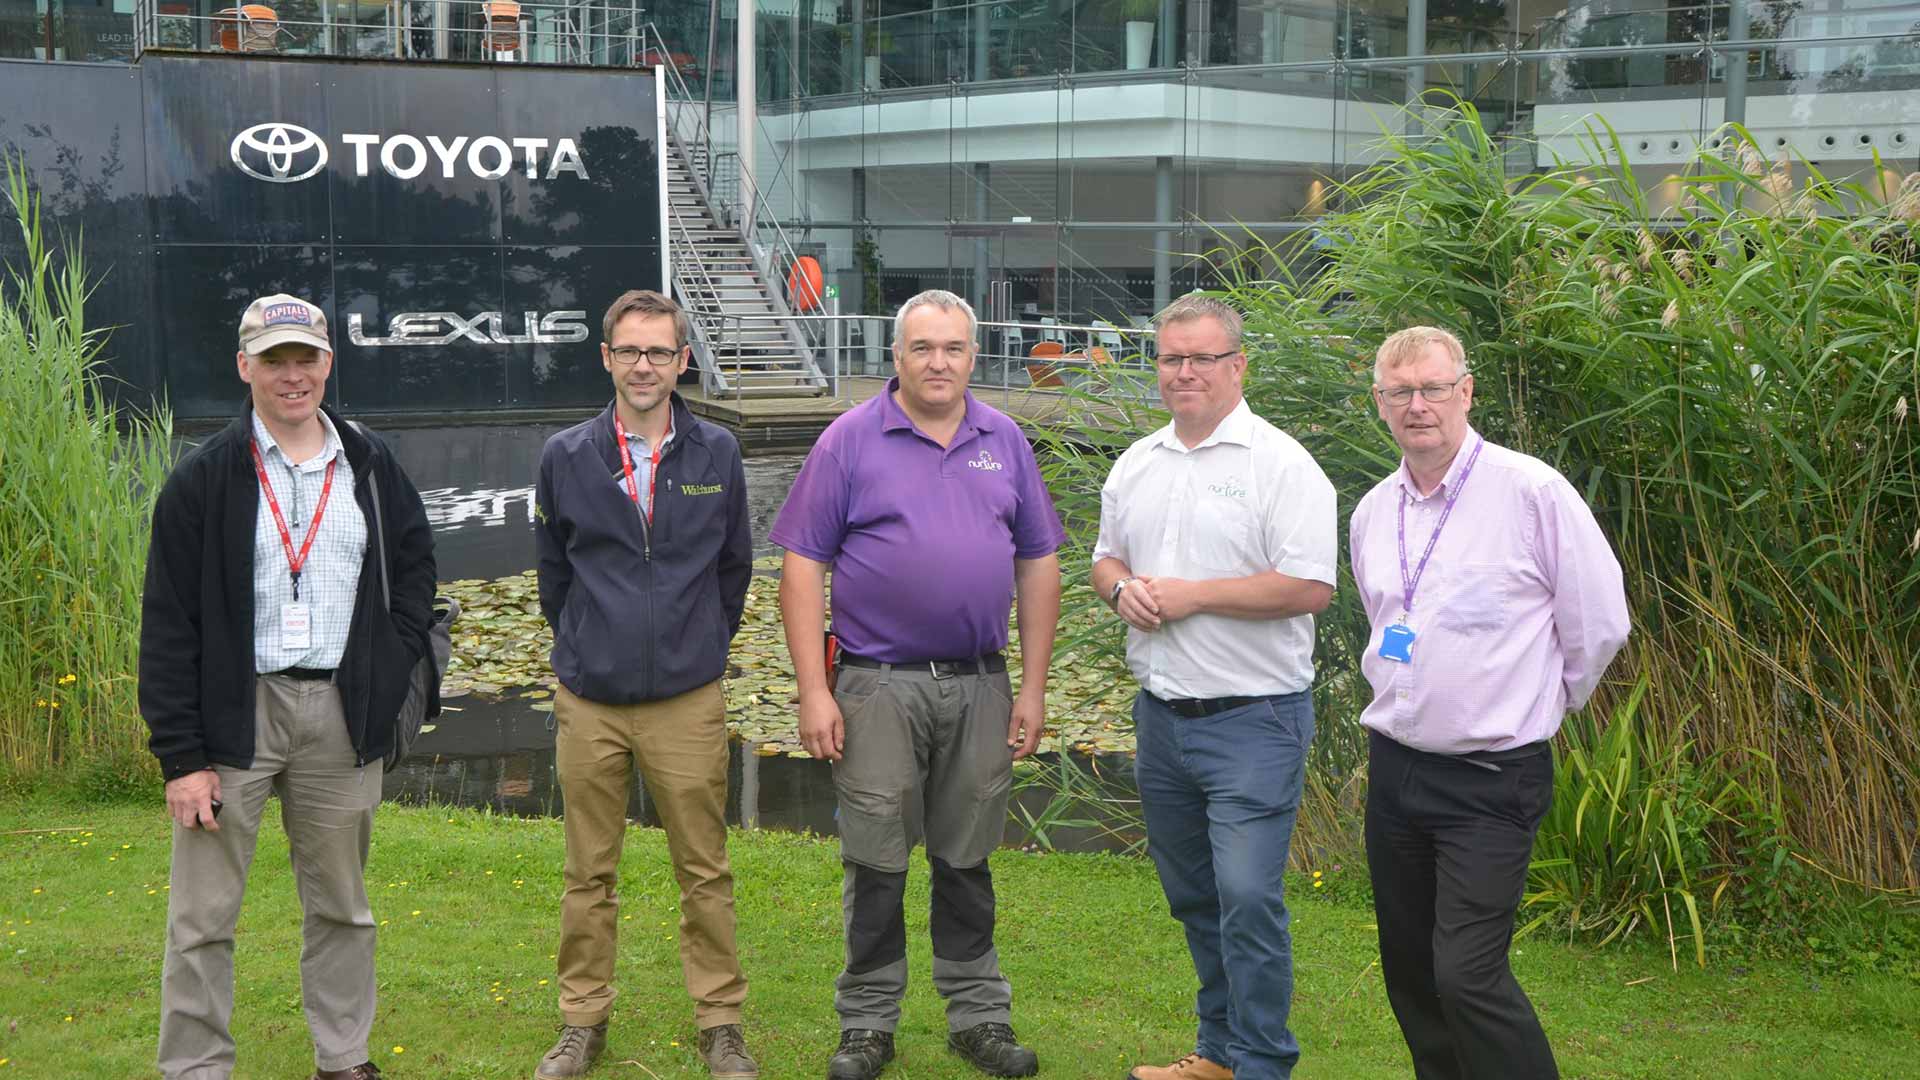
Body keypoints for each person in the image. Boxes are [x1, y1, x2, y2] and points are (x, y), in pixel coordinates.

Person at [140, 294, 438, 1080]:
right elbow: (169, 625)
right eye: (274, 359)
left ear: (329, 364)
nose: (292, 374)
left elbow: (415, 572)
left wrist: (391, 660)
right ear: (245, 368)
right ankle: (196, 1067)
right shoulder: (203, 480)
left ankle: (344, 1060)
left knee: (343, 906)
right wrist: (182, 757)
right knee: (202, 917)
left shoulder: (371, 465)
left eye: (305, 357)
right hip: (235, 716)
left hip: (341, 714)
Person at [772, 289, 1064, 1080]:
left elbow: (1038, 563)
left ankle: (978, 1016)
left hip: (980, 686)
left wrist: (1032, 689)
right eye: (923, 347)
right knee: (876, 858)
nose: (940, 362)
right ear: (896, 356)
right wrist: (813, 691)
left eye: (955, 349)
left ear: (974, 357)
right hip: (876, 685)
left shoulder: (1004, 440)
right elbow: (801, 568)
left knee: (967, 856)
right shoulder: (849, 441)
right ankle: (867, 1023)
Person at [1350, 326, 1630, 1080]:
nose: (1419, 406)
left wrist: (1540, 706)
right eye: (1400, 392)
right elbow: (1384, 624)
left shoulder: (1531, 492)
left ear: (1466, 392)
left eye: (1434, 388)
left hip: (1491, 778)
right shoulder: (1374, 512)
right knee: (1411, 973)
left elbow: (1600, 623)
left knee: (1467, 974)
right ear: (1379, 403)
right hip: (1397, 773)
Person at [1091, 294, 1337, 1080]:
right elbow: (1105, 557)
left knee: (1247, 898)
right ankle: (1219, 1052)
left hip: (1253, 719)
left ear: (1238, 366)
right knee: (1195, 896)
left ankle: (1264, 1064)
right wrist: (1120, 589)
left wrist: (1194, 595)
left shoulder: (1281, 464)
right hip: (1163, 719)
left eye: (1202, 358)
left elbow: (1309, 586)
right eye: (1171, 358)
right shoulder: (1138, 463)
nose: (1185, 371)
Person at [532, 289, 757, 1080]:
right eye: (629, 350)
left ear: (682, 360)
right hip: (590, 700)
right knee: (587, 871)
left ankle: (721, 1024)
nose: (644, 365)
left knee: (705, 868)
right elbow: (554, 576)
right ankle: (581, 1022)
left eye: (659, 351)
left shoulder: (716, 454)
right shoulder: (566, 455)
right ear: (606, 357)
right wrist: (594, 645)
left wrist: (693, 645)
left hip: (686, 701)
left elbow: (735, 571)